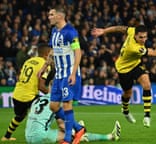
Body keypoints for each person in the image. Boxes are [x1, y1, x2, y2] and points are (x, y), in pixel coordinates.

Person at [91, 25, 156, 127]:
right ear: (135, 36)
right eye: (141, 37)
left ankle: (147, 116)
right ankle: (125, 110)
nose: (143, 39)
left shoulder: (132, 31)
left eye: (145, 37)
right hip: (124, 70)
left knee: (147, 85)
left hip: (135, 65)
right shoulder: (135, 48)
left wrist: (104, 31)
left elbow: (120, 28)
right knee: (128, 93)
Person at [38, 5, 85, 144]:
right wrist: (44, 66)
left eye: (51, 14)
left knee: (67, 104)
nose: (49, 17)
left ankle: (67, 139)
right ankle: (79, 128)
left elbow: (78, 52)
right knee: (53, 106)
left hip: (69, 74)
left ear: (60, 16)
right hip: (58, 75)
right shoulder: (53, 31)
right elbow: (53, 50)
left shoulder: (71, 32)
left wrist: (73, 73)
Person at [25, 79, 121, 144]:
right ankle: (110, 137)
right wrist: (75, 130)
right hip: (40, 136)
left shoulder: (37, 100)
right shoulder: (56, 103)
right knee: (72, 136)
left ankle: (108, 136)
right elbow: (62, 125)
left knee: (70, 134)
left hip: (27, 136)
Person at [1, 44, 51, 141]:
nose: (52, 57)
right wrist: (51, 94)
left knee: (20, 116)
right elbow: (41, 87)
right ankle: (67, 133)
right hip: (29, 96)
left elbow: (21, 76)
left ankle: (6, 137)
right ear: (46, 54)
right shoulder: (45, 65)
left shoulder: (28, 61)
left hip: (17, 94)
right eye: (51, 55)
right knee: (52, 109)